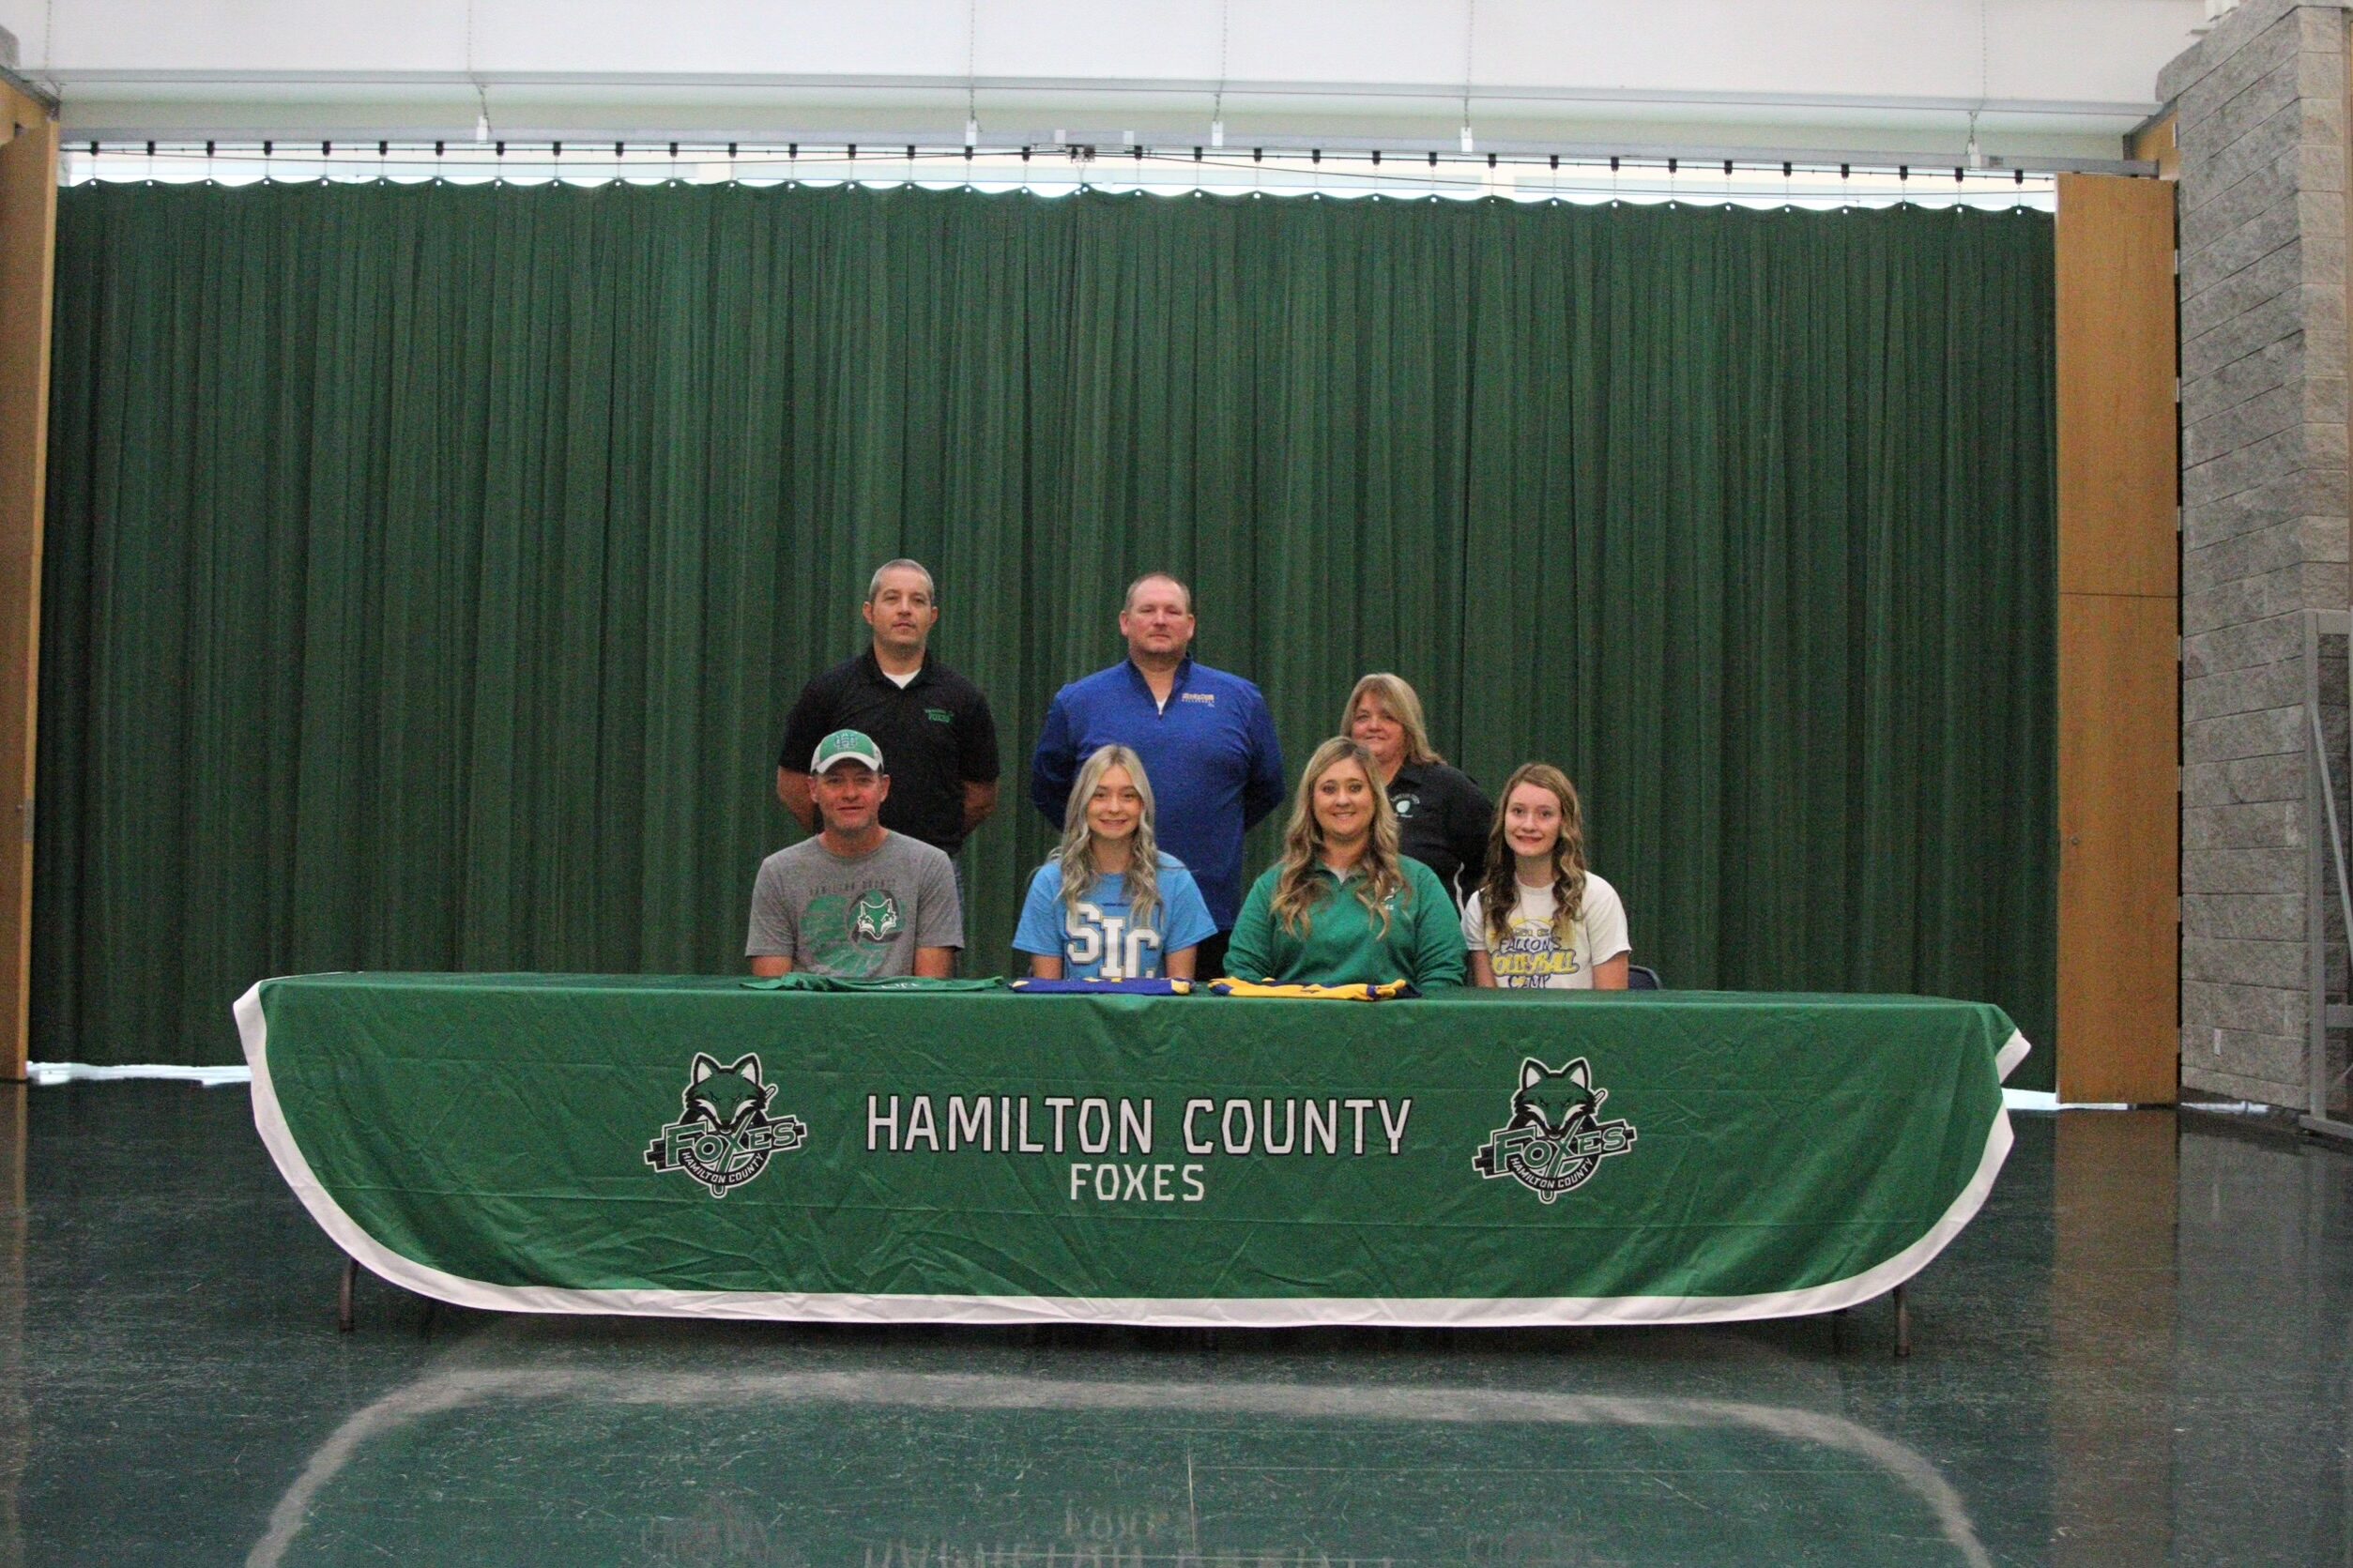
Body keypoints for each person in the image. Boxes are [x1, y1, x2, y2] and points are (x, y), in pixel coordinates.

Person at [1030, 572, 1284, 976]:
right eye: (1147, 610)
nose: (1160, 620)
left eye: (1172, 611)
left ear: (1191, 625)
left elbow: (1267, 789)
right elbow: (1049, 790)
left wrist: (1211, 828)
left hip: (1210, 909)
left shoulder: (1240, 699)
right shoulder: (1079, 700)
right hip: (1096, 914)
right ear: (1125, 622)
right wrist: (1108, 837)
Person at [776, 559, 1001, 866]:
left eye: (918, 601)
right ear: (869, 612)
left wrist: (933, 845)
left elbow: (981, 796)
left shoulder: (963, 699)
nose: (905, 609)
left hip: (932, 870)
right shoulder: (827, 692)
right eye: (892, 598)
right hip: (844, 864)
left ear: (932, 616)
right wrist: (842, 835)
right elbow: (793, 784)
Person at [1224, 738, 1467, 991]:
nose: (1342, 800)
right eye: (1329, 789)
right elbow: (1242, 973)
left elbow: (1443, 973)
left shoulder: (1418, 881)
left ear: (1375, 797)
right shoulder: (1273, 886)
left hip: (1393, 1028)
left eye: (1355, 788)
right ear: (1311, 801)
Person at [747, 729, 962, 979]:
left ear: (883, 787)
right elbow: (773, 991)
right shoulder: (778, 872)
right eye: (835, 781)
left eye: (863, 780)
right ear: (813, 789)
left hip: (900, 1016)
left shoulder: (929, 865)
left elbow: (929, 990)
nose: (850, 793)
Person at [1014, 745, 1218, 981]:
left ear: (1143, 804)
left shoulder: (1175, 879)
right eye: (1099, 795)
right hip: (1074, 1017)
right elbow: (1046, 995)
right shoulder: (1050, 882)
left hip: (1153, 1017)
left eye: (1128, 796)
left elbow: (1181, 989)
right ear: (1082, 804)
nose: (1114, 808)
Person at [1463, 763, 1630, 990]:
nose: (1529, 825)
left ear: (1564, 823)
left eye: (1545, 814)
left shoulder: (1597, 897)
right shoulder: (1481, 904)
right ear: (1503, 818)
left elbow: (1612, 1009)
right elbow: (1489, 1008)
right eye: (1518, 811)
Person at [1343, 672, 1490, 904]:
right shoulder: (1337, 792)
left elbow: (1496, 860)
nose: (1373, 726)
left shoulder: (1449, 788)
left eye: (1387, 717)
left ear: (1408, 727)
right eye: (1362, 717)